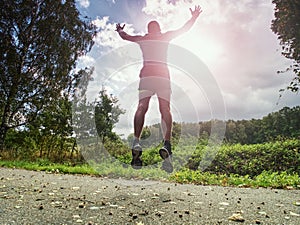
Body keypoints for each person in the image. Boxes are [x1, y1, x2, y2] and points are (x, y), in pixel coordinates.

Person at [116, 5, 202, 173]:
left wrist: (119, 30)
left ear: (148, 30)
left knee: (142, 107)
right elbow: (184, 29)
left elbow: (126, 37)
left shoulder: (143, 38)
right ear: (159, 29)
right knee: (165, 109)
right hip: (163, 77)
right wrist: (194, 17)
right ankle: (167, 144)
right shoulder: (164, 37)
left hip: (146, 76)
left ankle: (136, 141)